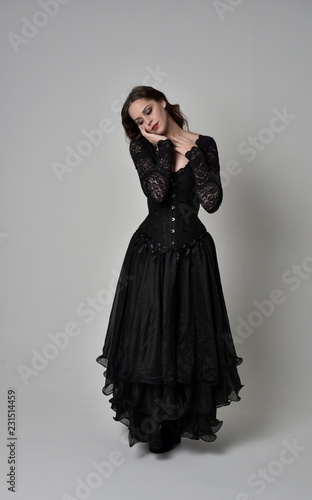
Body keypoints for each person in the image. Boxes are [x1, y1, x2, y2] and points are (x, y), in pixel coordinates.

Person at [96, 85, 243, 454]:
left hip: (194, 254)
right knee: (153, 332)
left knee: (189, 330)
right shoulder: (142, 147)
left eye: (148, 109)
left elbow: (212, 201)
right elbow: (158, 192)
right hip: (152, 254)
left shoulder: (204, 144)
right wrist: (162, 145)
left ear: (162, 101)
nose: (147, 119)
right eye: (138, 119)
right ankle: (155, 421)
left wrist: (191, 152)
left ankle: (183, 416)